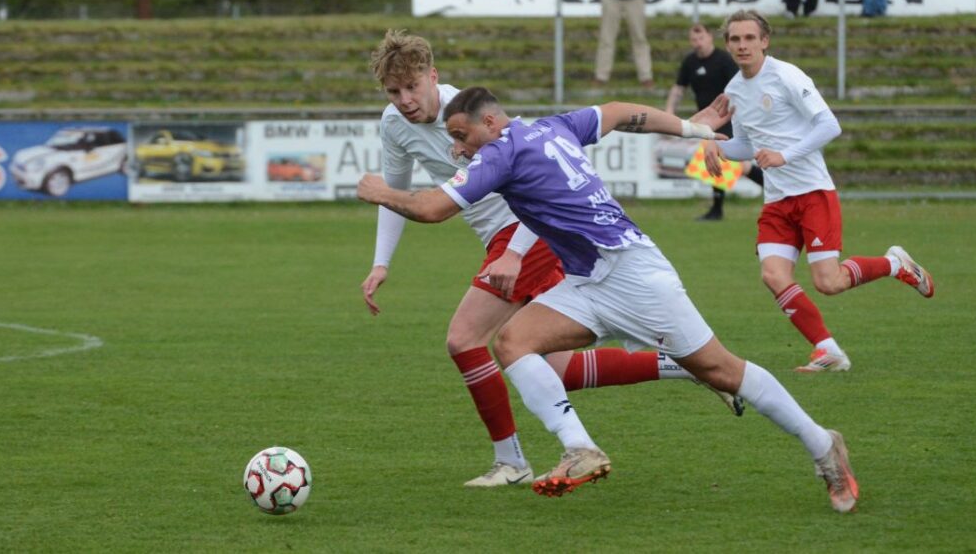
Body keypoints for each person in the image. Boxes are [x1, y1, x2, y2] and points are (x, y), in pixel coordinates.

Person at [357, 86, 861, 514]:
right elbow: (620, 113)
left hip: (632, 274)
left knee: (722, 370)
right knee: (512, 342)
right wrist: (692, 128)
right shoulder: (553, 126)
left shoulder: (500, 152)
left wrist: (380, 190)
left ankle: (823, 445)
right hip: (586, 277)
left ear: (490, 122)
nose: (460, 150)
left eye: (462, 137)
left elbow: (430, 208)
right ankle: (579, 448)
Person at [362, 30, 741, 488]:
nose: (404, 99)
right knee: (553, 367)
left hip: (524, 236)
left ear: (433, 76)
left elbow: (541, 183)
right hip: (506, 244)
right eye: (394, 91)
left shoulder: (473, 115)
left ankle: (511, 462)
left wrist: (516, 253)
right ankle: (684, 363)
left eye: (412, 87)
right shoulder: (393, 124)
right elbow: (397, 192)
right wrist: (382, 263)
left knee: (464, 340)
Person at [704, 10, 933, 373]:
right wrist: (717, 145)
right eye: (735, 39)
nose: (742, 45)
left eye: (750, 38)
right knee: (773, 275)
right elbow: (747, 144)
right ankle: (828, 351)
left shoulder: (786, 75)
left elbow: (829, 125)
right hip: (778, 201)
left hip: (813, 192)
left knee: (830, 282)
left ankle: (894, 264)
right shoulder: (734, 90)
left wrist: (785, 155)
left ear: (765, 41)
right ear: (727, 44)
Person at [665, 22, 765, 221]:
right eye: (693, 39)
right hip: (707, 122)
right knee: (718, 161)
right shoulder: (690, 62)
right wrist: (669, 111)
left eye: (701, 38)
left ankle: (775, 191)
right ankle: (718, 209)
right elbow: (678, 88)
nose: (697, 43)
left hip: (728, 117)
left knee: (731, 163)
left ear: (710, 37)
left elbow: (740, 86)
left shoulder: (723, 60)